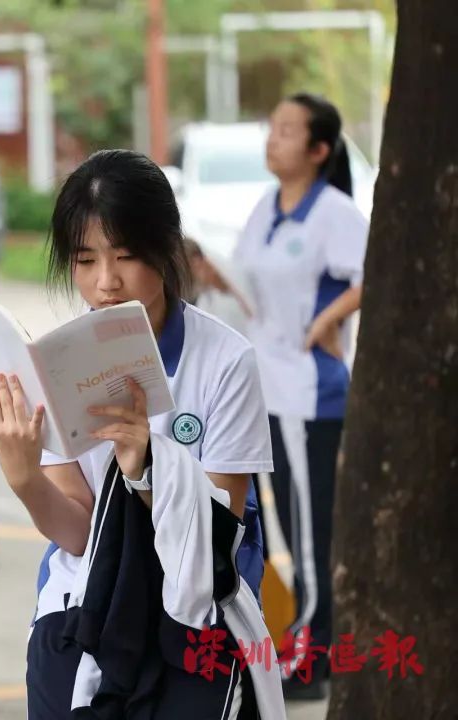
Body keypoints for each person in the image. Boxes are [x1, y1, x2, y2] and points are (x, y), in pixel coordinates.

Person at [0, 150, 276, 718]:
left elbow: (218, 536)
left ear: (168, 250)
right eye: (85, 259)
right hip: (89, 598)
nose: (106, 282)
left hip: (196, 610)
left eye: (125, 257)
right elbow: (76, 530)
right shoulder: (60, 361)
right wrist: (25, 479)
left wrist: (147, 465)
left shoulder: (224, 360)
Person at [234, 93, 368, 700]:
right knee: (286, 526)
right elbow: (251, 285)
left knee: (313, 533)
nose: (273, 137)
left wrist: (328, 321)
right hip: (269, 390)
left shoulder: (334, 213)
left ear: (318, 151)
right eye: (272, 126)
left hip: (313, 395)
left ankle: (315, 659)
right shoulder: (266, 207)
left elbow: (374, 272)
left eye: (287, 130)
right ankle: (308, 643)